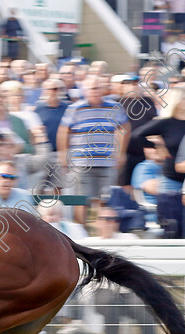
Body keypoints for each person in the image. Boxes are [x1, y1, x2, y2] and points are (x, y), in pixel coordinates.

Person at [57, 75, 130, 224]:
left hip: (107, 162)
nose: (94, 92)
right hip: (82, 162)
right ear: (85, 91)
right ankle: (81, 232)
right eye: (91, 89)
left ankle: (100, 231)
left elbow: (125, 127)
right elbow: (64, 131)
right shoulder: (75, 108)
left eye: (97, 88)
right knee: (82, 199)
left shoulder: (113, 107)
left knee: (105, 199)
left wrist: (121, 152)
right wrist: (64, 153)